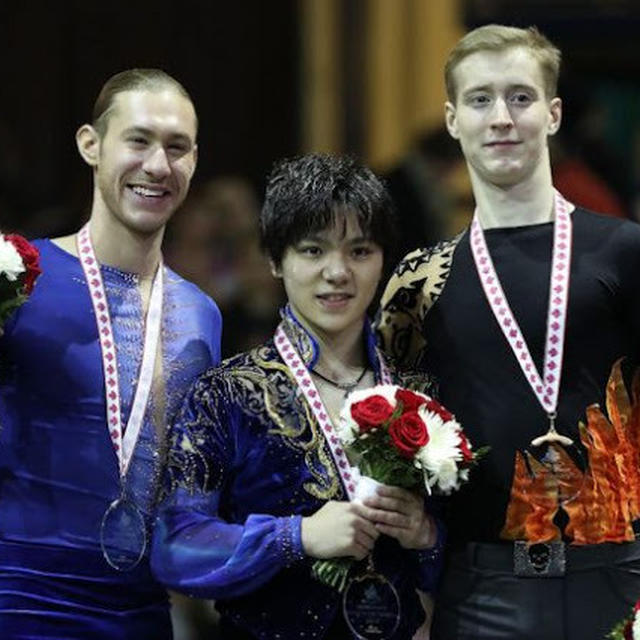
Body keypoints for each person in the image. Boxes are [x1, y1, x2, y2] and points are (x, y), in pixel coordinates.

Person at [377, 24, 640, 640]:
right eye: (479, 99)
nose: (501, 117)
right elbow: (391, 449)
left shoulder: (625, 252)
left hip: (622, 579)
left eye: (520, 97)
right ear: (450, 120)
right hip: (484, 595)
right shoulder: (418, 283)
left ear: (552, 114)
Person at [151, 153, 444, 639]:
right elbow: (174, 546)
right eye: (313, 251)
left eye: (360, 251)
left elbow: (467, 565)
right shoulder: (228, 394)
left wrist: (427, 538)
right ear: (274, 260)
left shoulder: (420, 397)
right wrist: (296, 536)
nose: (337, 272)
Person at [0, 69, 222, 639]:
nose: (157, 165)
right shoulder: (20, 276)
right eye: (139, 140)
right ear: (90, 145)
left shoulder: (201, 316)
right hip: (21, 603)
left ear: (195, 161)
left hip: (142, 614)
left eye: (177, 148)